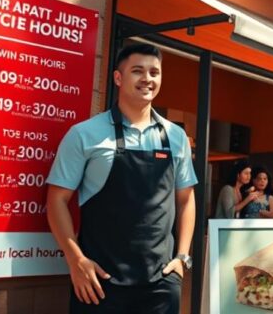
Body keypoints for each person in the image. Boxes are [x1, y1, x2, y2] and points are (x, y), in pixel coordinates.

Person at [46, 43, 197, 313]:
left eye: (154, 72)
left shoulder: (176, 137)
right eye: (138, 71)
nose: (147, 79)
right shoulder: (84, 134)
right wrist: (76, 261)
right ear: (118, 77)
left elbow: (186, 200)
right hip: (99, 283)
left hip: (160, 284)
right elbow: (56, 200)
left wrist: (182, 259)